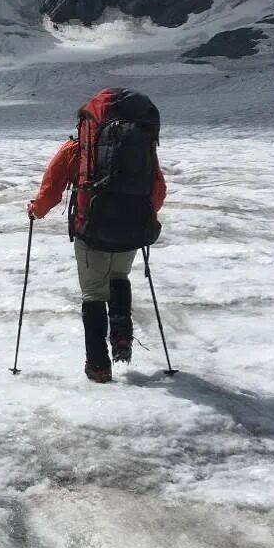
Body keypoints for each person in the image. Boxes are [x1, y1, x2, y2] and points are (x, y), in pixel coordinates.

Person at [27, 88, 166, 383]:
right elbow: (157, 188)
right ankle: (121, 339)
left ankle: (99, 366)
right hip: (131, 228)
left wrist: (36, 211)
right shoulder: (140, 149)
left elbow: (51, 189)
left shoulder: (77, 149)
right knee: (119, 277)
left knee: (93, 293)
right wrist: (141, 216)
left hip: (91, 227)